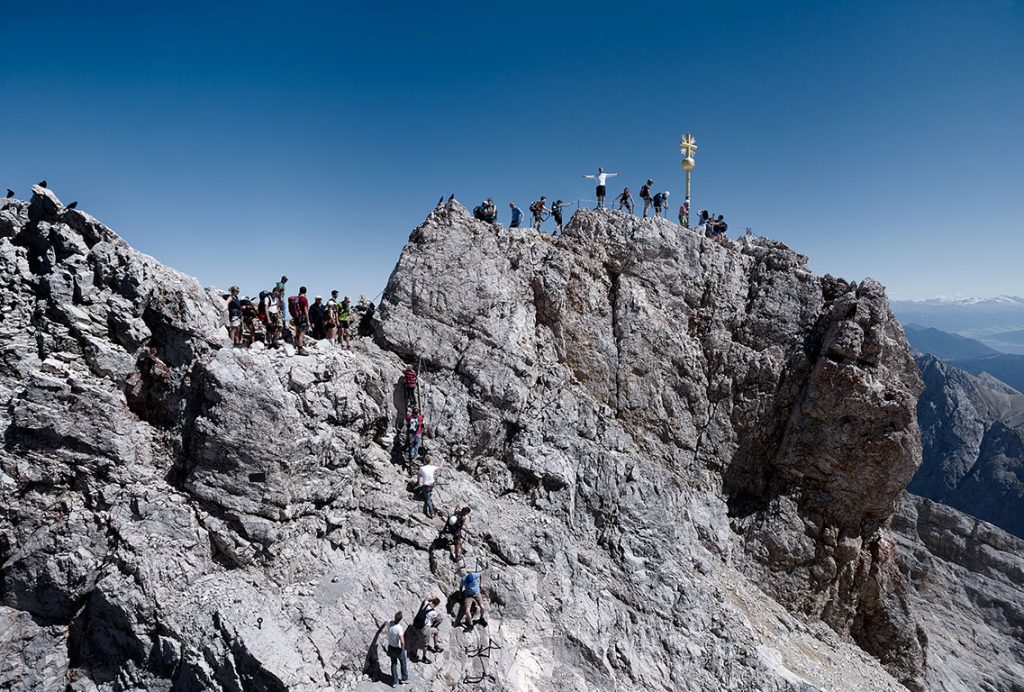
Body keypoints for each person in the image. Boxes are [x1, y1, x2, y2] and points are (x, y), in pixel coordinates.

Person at [412, 597, 444, 661]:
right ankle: (424, 657)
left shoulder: (425, 604)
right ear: (437, 605)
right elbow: (437, 619)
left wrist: (433, 598)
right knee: (425, 644)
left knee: (436, 632)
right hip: (425, 628)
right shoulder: (434, 612)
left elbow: (426, 599)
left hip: (416, 625)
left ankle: (414, 653)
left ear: (432, 601)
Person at [385, 611, 409, 687]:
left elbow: (385, 622)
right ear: (400, 619)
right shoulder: (399, 628)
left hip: (391, 647)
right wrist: (402, 647)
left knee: (393, 664)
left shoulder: (389, 622)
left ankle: (395, 682)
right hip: (398, 648)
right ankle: (404, 679)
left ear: (395, 617)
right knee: (403, 663)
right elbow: (402, 641)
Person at [417, 453, 442, 517]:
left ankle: (432, 513)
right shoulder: (432, 467)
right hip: (432, 484)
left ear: (424, 461)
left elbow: (418, 475)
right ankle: (430, 499)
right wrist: (442, 461)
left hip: (426, 485)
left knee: (427, 499)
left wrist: (418, 482)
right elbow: (440, 467)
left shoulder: (421, 468)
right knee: (429, 495)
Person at [289, 286, 311, 355]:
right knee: (302, 333)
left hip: (296, 318)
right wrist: (308, 320)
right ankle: (300, 348)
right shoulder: (304, 299)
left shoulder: (296, 299)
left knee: (297, 332)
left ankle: (297, 346)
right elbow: (305, 310)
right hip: (303, 317)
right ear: (305, 291)